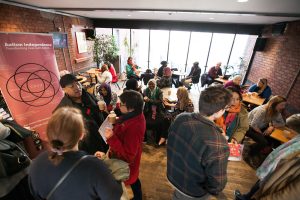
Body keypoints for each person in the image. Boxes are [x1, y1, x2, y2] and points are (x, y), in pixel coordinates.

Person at [28, 107, 122, 200]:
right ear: (81, 135)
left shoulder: (35, 165)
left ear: (49, 134)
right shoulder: (94, 167)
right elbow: (114, 196)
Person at [167, 86, 232, 200]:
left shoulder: (181, 118)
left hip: (174, 175)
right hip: (193, 189)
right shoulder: (218, 143)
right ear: (218, 111)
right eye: (225, 108)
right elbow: (217, 183)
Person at [104, 90, 146, 200]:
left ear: (131, 107)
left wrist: (111, 138)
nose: (118, 106)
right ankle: (138, 196)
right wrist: (117, 121)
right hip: (129, 159)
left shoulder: (135, 127)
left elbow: (128, 155)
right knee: (134, 179)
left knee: (130, 179)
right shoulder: (135, 114)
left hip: (127, 163)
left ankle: (137, 197)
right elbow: (125, 124)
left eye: (121, 104)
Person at [235, 135, 300, 200]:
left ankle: (246, 197)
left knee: (262, 185)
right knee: (260, 183)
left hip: (279, 176)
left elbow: (291, 193)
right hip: (275, 167)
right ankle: (245, 197)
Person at [55, 74, 108, 155]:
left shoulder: (87, 95)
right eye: (71, 86)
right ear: (64, 89)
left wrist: (103, 107)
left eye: (77, 83)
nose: (77, 87)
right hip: (87, 145)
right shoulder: (63, 108)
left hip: (102, 135)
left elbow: (98, 109)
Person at [246, 95, 286, 163]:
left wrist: (272, 126)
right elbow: (253, 125)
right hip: (248, 126)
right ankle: (250, 155)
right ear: (274, 104)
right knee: (263, 141)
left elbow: (282, 123)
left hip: (259, 127)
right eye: (281, 105)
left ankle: (254, 147)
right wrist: (262, 134)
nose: (283, 107)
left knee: (273, 140)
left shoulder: (276, 112)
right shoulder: (262, 110)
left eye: (284, 105)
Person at [143, 79, 164, 144]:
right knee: (144, 120)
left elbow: (160, 101)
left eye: (152, 84)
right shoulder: (145, 90)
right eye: (149, 84)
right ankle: (145, 138)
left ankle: (157, 137)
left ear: (155, 84)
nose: (151, 85)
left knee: (158, 121)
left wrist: (150, 100)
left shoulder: (159, 91)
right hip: (148, 108)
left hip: (157, 109)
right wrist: (144, 99)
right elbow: (143, 97)